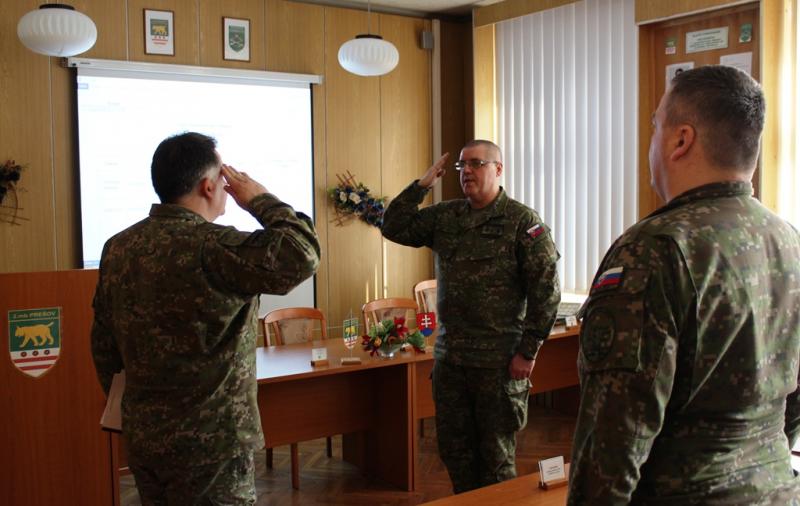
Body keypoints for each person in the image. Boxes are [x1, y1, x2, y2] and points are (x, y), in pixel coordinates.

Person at [568, 65, 800, 504]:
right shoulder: (788, 239)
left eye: (656, 124)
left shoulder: (655, 249)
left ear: (681, 140)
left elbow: (613, 442)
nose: (651, 139)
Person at [91, 132, 320, 505]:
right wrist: (260, 199)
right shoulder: (215, 246)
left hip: (146, 437)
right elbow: (303, 253)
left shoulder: (118, 247)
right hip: (212, 445)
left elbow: (103, 343)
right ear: (209, 185)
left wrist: (134, 408)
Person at [381, 140, 560, 493]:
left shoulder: (522, 222)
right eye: (462, 166)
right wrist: (422, 185)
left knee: (495, 459)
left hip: (498, 363)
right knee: (455, 454)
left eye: (476, 164)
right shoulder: (447, 217)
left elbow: (546, 291)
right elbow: (393, 226)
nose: (467, 172)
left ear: (498, 169)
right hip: (451, 361)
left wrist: (528, 351)